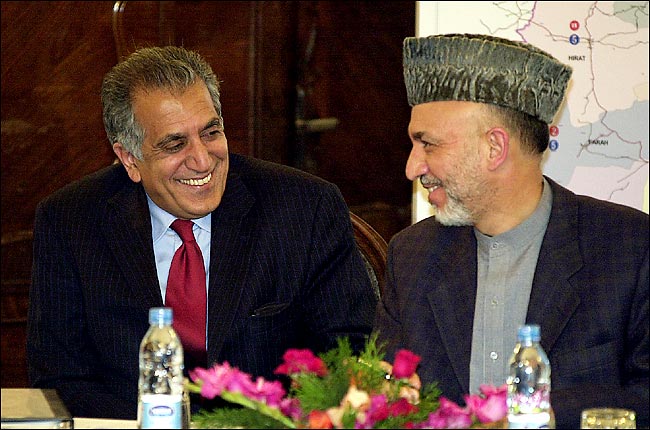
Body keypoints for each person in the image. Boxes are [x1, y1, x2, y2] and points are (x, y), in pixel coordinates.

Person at [27, 45, 377, 419]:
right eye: (175, 144)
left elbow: (351, 358)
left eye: (210, 133)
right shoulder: (71, 220)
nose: (202, 159)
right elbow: (58, 380)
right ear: (130, 158)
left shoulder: (305, 209)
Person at [374, 33, 649, 428]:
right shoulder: (412, 256)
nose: (413, 167)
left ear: (494, 147)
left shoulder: (629, 249)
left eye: (428, 145)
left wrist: (544, 415)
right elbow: (384, 394)